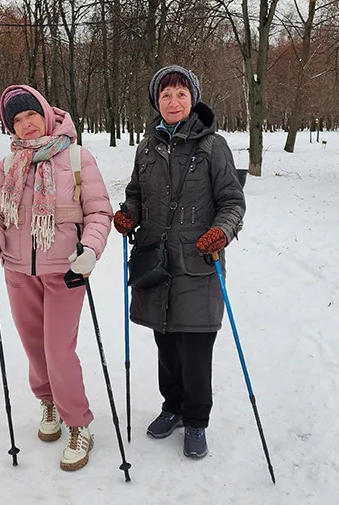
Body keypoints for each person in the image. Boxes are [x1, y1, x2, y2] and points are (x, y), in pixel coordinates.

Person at [0, 85, 113, 471]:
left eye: (30, 114)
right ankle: (47, 402)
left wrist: (90, 249)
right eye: (16, 120)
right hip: (18, 270)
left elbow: (100, 212)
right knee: (35, 348)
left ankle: (78, 422)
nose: (26, 124)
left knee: (58, 350)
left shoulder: (76, 157)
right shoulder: (7, 166)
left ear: (46, 113)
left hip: (65, 271)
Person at [112, 65, 246, 459]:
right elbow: (135, 193)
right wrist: (129, 213)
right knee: (165, 341)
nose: (173, 101)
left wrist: (221, 233)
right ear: (157, 101)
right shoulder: (146, 147)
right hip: (156, 261)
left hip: (198, 262)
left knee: (196, 345)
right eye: (166, 95)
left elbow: (232, 202)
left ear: (193, 100)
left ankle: (197, 420)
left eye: (181, 95)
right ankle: (171, 407)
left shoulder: (212, 146)